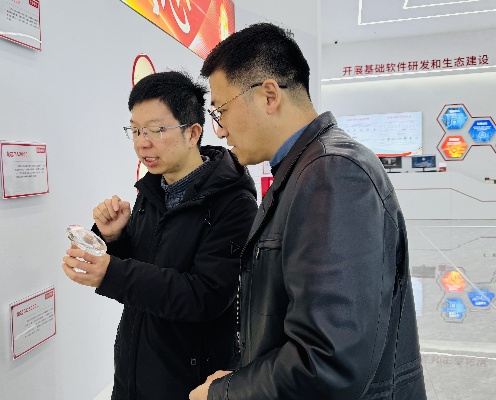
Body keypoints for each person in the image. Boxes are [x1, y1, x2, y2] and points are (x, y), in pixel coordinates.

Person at [190, 23, 426, 399]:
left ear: (269, 95)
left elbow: (327, 361)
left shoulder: (332, 173)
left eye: (221, 110)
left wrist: (222, 394)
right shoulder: (304, 171)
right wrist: (240, 378)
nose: (220, 131)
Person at [62, 71, 257, 400]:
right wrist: (114, 238)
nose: (142, 143)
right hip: (132, 372)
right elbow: (147, 272)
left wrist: (112, 272)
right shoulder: (153, 190)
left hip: (191, 382)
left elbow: (206, 296)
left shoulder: (234, 203)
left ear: (192, 132)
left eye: (156, 130)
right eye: (136, 130)